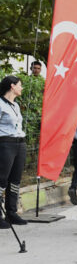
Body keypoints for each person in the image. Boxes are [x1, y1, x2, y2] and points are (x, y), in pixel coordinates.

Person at [0, 76, 28, 228]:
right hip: (5, 143)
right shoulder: (0, 104)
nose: (21, 88)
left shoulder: (15, 105)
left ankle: (12, 212)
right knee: (1, 179)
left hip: (19, 143)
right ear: (12, 86)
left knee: (15, 179)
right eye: (20, 85)